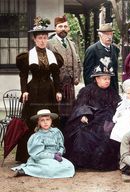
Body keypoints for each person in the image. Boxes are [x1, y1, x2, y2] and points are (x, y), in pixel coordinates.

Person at [15, 17, 64, 163]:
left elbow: (56, 76)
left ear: (47, 39)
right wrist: (24, 90)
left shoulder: (53, 56)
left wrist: (58, 91)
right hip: (34, 90)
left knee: (50, 118)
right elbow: (23, 75)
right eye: (39, 38)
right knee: (32, 120)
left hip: (49, 91)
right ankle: (27, 154)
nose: (42, 41)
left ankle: (52, 151)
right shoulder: (27, 56)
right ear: (34, 39)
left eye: (44, 38)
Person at [64, 59, 121, 170]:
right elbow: (81, 104)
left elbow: (119, 106)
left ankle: (101, 163)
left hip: (108, 119)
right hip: (91, 118)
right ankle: (83, 162)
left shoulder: (112, 92)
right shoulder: (87, 91)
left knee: (107, 133)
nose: (107, 81)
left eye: (109, 79)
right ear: (97, 79)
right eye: (104, 79)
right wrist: (83, 115)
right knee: (82, 133)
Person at [12, 109, 75, 178]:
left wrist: (59, 153)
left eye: (47, 119)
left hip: (57, 157)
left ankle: (40, 170)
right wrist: (53, 156)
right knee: (51, 169)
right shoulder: (37, 136)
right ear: (38, 122)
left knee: (70, 166)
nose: (45, 122)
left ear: (51, 121)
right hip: (42, 159)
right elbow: (37, 154)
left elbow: (61, 146)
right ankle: (26, 171)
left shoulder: (57, 132)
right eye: (42, 120)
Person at [47, 15, 81, 130]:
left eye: (65, 26)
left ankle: (68, 137)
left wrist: (76, 77)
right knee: (58, 112)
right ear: (55, 28)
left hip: (70, 85)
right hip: (57, 85)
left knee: (70, 112)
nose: (63, 29)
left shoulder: (72, 43)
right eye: (60, 26)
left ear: (68, 29)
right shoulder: (50, 43)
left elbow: (77, 61)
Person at [83, 23, 120, 92]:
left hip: (112, 89)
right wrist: (90, 91)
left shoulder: (115, 49)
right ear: (100, 35)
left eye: (111, 34)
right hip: (97, 90)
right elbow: (88, 74)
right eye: (106, 34)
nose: (109, 37)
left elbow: (115, 70)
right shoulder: (92, 50)